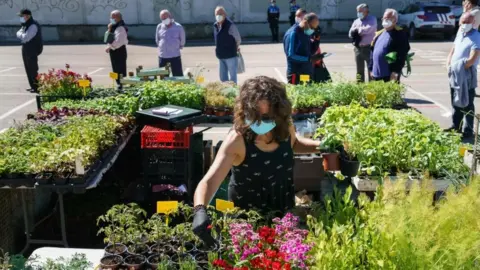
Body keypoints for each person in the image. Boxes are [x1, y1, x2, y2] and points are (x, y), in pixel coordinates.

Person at [192, 76, 321, 243]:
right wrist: (200, 211)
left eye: (266, 117)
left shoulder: (284, 127)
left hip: (283, 212)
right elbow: (209, 182)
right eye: (253, 116)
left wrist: (321, 145)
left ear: (278, 113)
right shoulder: (237, 140)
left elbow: (294, 144)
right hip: (248, 223)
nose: (260, 123)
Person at [445, 11, 480, 139]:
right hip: (454, 73)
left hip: (466, 75)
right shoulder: (460, 33)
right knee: (455, 101)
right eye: (463, 22)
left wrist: (460, 68)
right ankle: (456, 126)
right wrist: (449, 64)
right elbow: (453, 50)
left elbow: (473, 57)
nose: (465, 24)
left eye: (467, 22)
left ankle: (468, 130)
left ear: (473, 23)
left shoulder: (476, 36)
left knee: (467, 102)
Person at [368, 9, 410, 83]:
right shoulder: (379, 34)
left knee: (390, 94)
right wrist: (371, 68)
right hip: (376, 74)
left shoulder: (399, 34)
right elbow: (372, 52)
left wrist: (395, 71)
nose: (386, 20)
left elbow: (402, 54)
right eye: (385, 18)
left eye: (389, 18)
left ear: (395, 20)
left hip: (389, 75)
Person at [284, 13, 321, 84]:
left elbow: (309, 51)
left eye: (315, 28)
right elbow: (291, 56)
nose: (313, 30)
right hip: (296, 74)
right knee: (297, 94)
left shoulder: (305, 32)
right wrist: (309, 59)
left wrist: (317, 40)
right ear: (305, 22)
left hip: (305, 72)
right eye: (312, 27)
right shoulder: (293, 33)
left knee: (307, 92)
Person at [348, 4, 377, 83]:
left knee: (370, 69)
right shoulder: (356, 21)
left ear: (366, 11)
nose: (358, 13)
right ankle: (360, 87)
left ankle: (371, 88)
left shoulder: (372, 19)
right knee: (359, 70)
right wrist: (356, 31)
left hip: (368, 48)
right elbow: (350, 33)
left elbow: (369, 29)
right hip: (358, 48)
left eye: (360, 11)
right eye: (357, 11)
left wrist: (358, 30)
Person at [16, 9, 43, 93]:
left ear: (27, 16)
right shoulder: (25, 24)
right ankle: (32, 86)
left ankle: (37, 87)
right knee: (27, 68)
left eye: (22, 16)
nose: (21, 18)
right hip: (26, 47)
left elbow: (26, 37)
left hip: (32, 48)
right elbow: (19, 33)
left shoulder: (33, 25)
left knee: (33, 68)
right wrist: (21, 34)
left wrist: (20, 34)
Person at [214, 6, 241, 84]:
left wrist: (235, 47)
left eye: (220, 13)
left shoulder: (230, 25)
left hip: (230, 56)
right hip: (221, 55)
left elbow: (238, 39)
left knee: (232, 79)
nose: (218, 15)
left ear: (225, 14)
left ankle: (233, 94)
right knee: (223, 78)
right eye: (217, 14)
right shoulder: (215, 25)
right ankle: (225, 94)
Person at [155, 9, 186, 77]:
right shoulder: (159, 27)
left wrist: (178, 46)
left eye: (165, 18)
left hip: (175, 56)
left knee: (178, 76)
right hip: (163, 56)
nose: (164, 20)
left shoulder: (178, 27)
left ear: (170, 16)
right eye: (162, 18)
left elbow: (182, 40)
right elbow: (157, 39)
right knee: (163, 77)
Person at [105, 10, 128, 90]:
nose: (111, 19)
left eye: (112, 17)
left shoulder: (120, 27)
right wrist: (109, 29)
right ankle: (118, 84)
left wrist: (110, 46)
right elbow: (106, 38)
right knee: (115, 68)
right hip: (114, 51)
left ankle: (120, 85)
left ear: (117, 18)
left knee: (119, 69)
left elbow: (119, 42)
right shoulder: (113, 27)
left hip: (119, 51)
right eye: (110, 17)